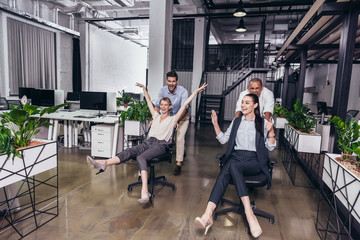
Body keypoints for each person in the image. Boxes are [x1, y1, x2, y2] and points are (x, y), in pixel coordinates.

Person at [86, 82, 207, 204]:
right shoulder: (155, 115)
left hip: (161, 145)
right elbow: (148, 101)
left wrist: (195, 92)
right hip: (148, 142)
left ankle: (145, 191)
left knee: (141, 157)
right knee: (129, 151)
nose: (163, 107)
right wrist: (144, 88)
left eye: (166, 105)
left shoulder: (173, 119)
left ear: (170, 107)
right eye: (161, 105)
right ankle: (104, 163)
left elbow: (185, 104)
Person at [195, 93, 276, 238]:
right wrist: (215, 124)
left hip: (254, 161)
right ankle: (210, 214)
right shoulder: (236, 121)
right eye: (242, 102)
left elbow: (270, 147)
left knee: (231, 165)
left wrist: (271, 131)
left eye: (247, 102)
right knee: (231, 165)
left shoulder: (262, 122)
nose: (243, 105)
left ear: (255, 105)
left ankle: (218, 214)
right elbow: (223, 139)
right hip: (236, 157)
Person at [155, 71, 189, 176]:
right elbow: (157, 106)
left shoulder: (183, 91)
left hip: (182, 118)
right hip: (169, 118)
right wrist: (155, 118)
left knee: (179, 138)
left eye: (173, 81)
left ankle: (178, 163)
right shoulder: (162, 91)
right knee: (172, 138)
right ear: (166, 81)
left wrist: (177, 120)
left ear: (177, 82)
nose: (171, 83)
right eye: (169, 81)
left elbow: (185, 109)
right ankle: (182, 150)